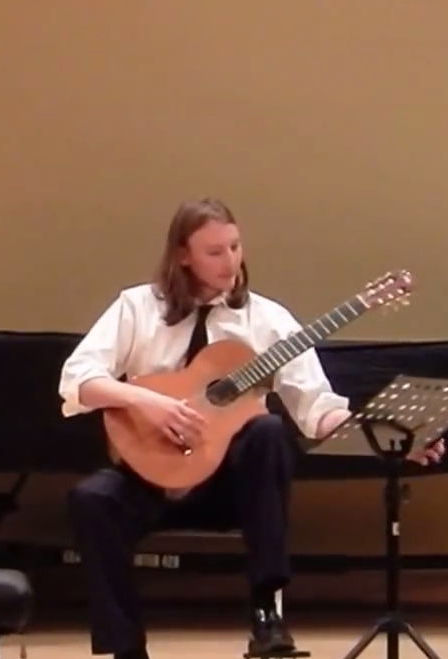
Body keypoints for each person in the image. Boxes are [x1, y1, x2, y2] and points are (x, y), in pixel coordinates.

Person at [57, 198, 444, 659]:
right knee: (91, 499)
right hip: (150, 477)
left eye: (235, 247)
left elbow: (317, 409)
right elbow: (78, 379)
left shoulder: (268, 320)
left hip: (231, 488)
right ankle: (126, 649)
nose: (230, 261)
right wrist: (149, 402)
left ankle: (266, 614)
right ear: (183, 256)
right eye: (214, 251)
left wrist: (388, 440)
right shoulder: (137, 307)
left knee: (268, 432)